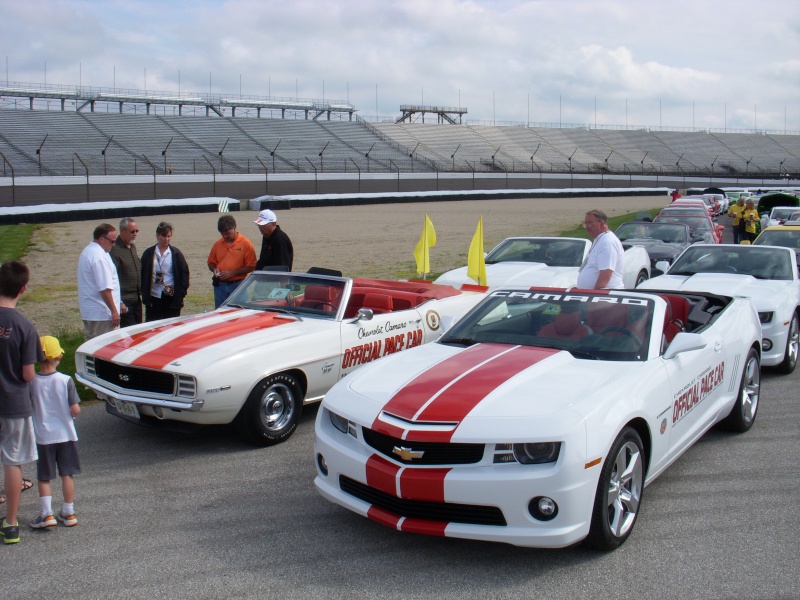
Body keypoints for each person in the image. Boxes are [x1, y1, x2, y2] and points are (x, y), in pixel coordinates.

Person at [0, 261, 43, 544]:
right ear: (23, 289)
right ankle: (11, 523)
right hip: (13, 403)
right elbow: (28, 374)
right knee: (12, 463)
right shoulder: (25, 327)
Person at [29, 335, 81, 530]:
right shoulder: (65, 380)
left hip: (43, 436)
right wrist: (72, 415)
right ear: (59, 356)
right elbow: (75, 409)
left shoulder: (31, 382)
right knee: (67, 474)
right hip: (66, 434)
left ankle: (46, 513)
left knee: (44, 476)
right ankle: (69, 511)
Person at [78, 224, 125, 340]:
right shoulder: (99, 256)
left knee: (93, 347)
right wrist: (114, 311)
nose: (114, 245)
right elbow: (105, 288)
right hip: (102, 314)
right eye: (112, 241)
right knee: (105, 349)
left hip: (92, 312)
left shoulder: (89, 251)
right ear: (101, 239)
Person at [141, 222, 190, 321]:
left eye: (169, 236)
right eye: (164, 236)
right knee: (153, 326)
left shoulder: (176, 253)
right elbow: (142, 274)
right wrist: (145, 293)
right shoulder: (148, 253)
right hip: (154, 296)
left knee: (171, 325)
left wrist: (181, 293)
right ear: (157, 235)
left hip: (171, 297)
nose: (166, 239)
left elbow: (185, 273)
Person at [207, 215, 257, 308]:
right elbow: (211, 262)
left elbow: (251, 266)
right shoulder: (218, 244)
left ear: (234, 228)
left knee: (239, 313)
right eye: (222, 234)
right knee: (219, 313)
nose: (225, 236)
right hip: (220, 286)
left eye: (227, 233)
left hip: (238, 285)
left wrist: (233, 273)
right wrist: (214, 269)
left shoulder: (246, 243)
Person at [576, 209, 625, 289]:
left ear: (602, 224)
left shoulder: (608, 242)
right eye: (585, 224)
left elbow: (606, 274)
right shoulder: (599, 239)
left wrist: (594, 296)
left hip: (604, 296)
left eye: (590, 223)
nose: (587, 227)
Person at [109, 217, 142, 327]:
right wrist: (120, 302)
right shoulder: (115, 250)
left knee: (138, 332)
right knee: (129, 335)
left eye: (137, 231)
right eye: (132, 231)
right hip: (125, 301)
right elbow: (112, 277)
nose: (135, 234)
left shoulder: (132, 246)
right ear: (123, 231)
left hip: (137, 299)